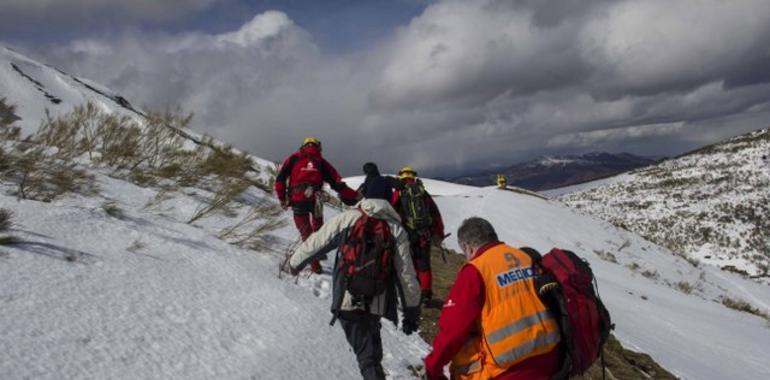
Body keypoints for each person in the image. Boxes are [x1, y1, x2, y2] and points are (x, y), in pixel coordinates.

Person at [285, 180, 422, 380]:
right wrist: (412, 312)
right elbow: (406, 275)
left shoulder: (347, 219)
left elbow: (316, 242)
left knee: (367, 356)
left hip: (347, 299)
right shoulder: (395, 229)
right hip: (376, 300)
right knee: (370, 352)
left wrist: (294, 264)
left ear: (366, 196)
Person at [424, 217, 562, 380]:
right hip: (551, 360)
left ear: (468, 247)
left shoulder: (476, 270)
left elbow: (453, 329)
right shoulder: (525, 257)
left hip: (508, 369)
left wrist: (432, 366)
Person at [274, 137, 358, 273]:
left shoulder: (294, 158)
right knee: (319, 231)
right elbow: (337, 183)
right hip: (316, 201)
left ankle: (315, 266)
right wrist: (355, 196)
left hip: (298, 200)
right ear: (319, 147)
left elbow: (280, 179)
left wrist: (282, 198)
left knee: (306, 234)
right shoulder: (321, 162)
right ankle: (319, 252)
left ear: (303, 146)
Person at [392, 166, 444, 304]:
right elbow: (435, 214)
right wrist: (439, 233)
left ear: (401, 177)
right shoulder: (422, 193)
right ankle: (426, 295)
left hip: (406, 234)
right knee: (424, 265)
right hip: (424, 235)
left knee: (409, 263)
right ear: (413, 177)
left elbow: (391, 212)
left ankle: (413, 294)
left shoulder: (399, 193)